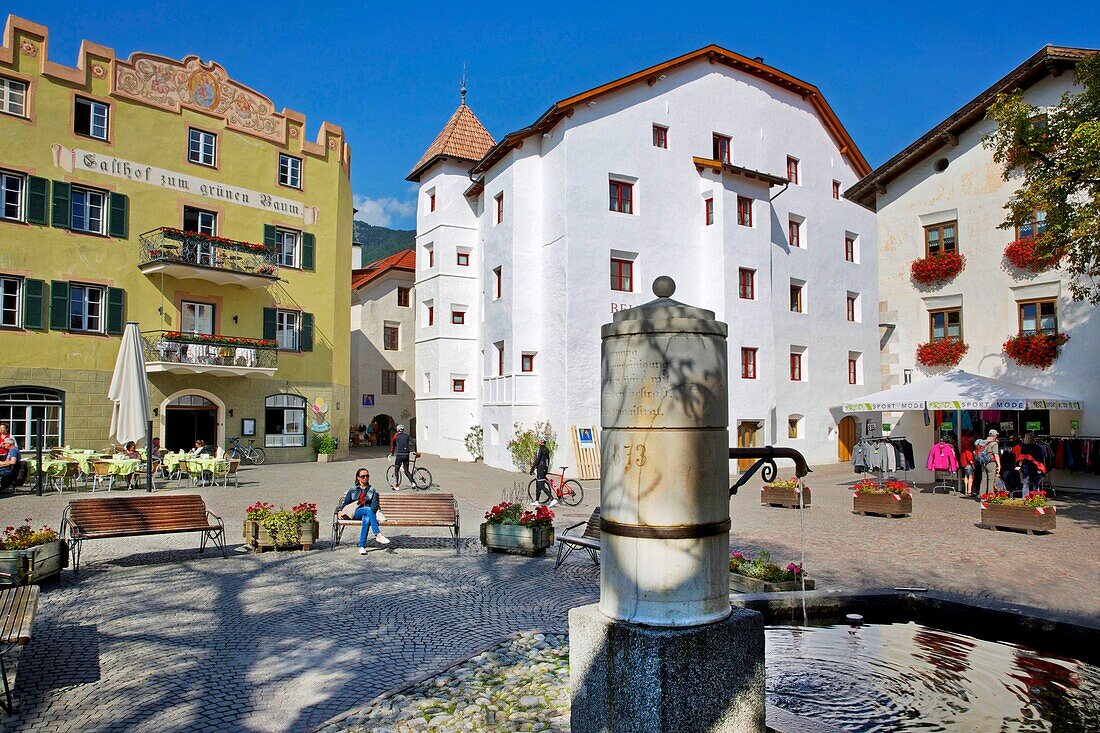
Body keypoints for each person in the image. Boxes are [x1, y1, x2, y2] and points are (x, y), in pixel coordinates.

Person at [339, 468, 389, 554]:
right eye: (363, 476)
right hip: (354, 513)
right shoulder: (353, 489)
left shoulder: (372, 490)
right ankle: (378, 534)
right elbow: (346, 503)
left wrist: (370, 513)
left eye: (367, 476)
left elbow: (374, 505)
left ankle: (361, 546)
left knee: (366, 519)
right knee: (368, 509)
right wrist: (339, 511)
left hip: (367, 513)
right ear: (358, 478)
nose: (365, 478)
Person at [529, 435, 555, 507]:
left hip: (540, 468)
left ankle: (552, 499)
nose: (538, 441)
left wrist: (532, 467)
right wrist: (546, 468)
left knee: (541, 485)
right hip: (544, 468)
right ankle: (537, 501)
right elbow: (547, 460)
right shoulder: (546, 449)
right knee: (538, 484)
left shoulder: (540, 449)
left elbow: (537, 459)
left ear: (542, 441)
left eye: (539, 440)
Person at [389, 424, 416, 490]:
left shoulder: (396, 436)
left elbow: (393, 446)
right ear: (403, 430)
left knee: (396, 469)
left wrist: (392, 453)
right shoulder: (407, 436)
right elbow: (414, 442)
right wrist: (415, 451)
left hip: (400, 455)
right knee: (406, 470)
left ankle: (397, 486)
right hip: (406, 454)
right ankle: (413, 483)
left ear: (398, 430)